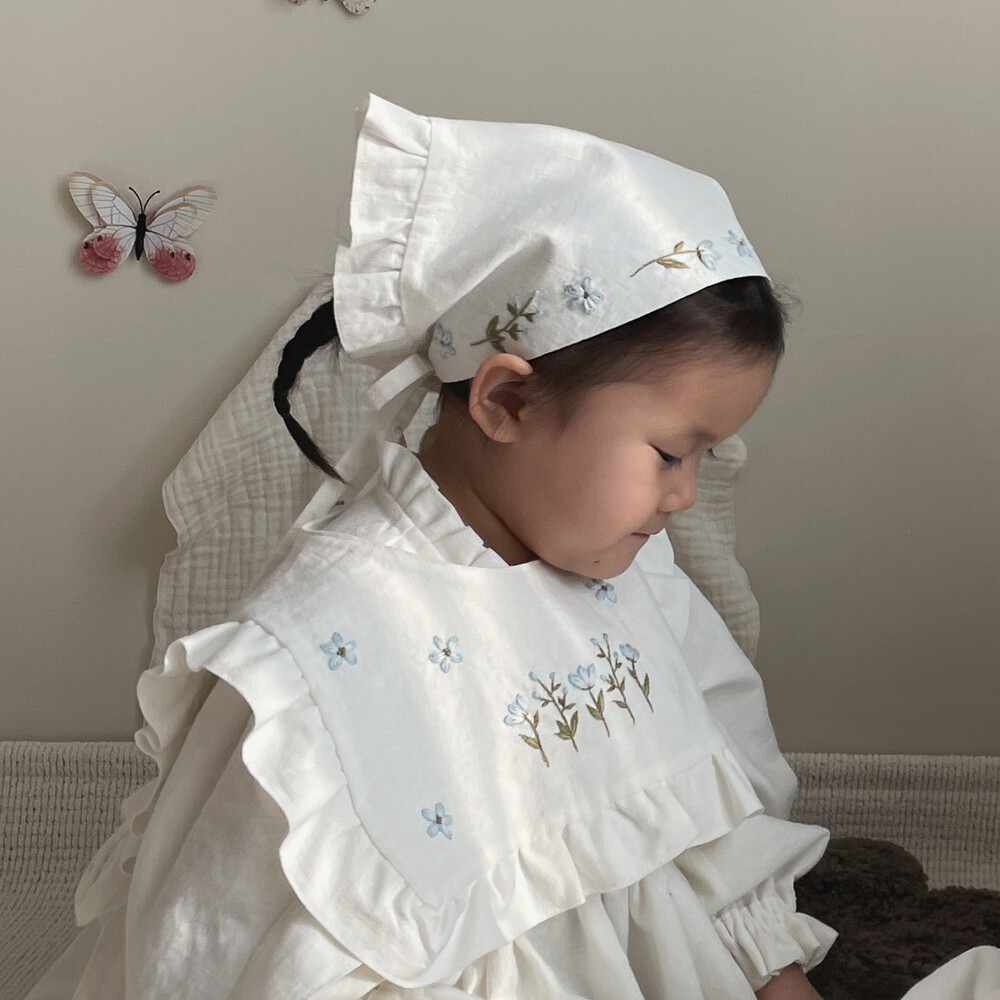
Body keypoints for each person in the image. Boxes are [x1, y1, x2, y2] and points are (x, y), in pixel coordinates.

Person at [29, 95, 838, 1000]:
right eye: (668, 453)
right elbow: (214, 930)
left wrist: (770, 965)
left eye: (703, 457)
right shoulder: (318, 644)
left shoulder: (639, 575)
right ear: (506, 401)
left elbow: (712, 799)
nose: (685, 495)